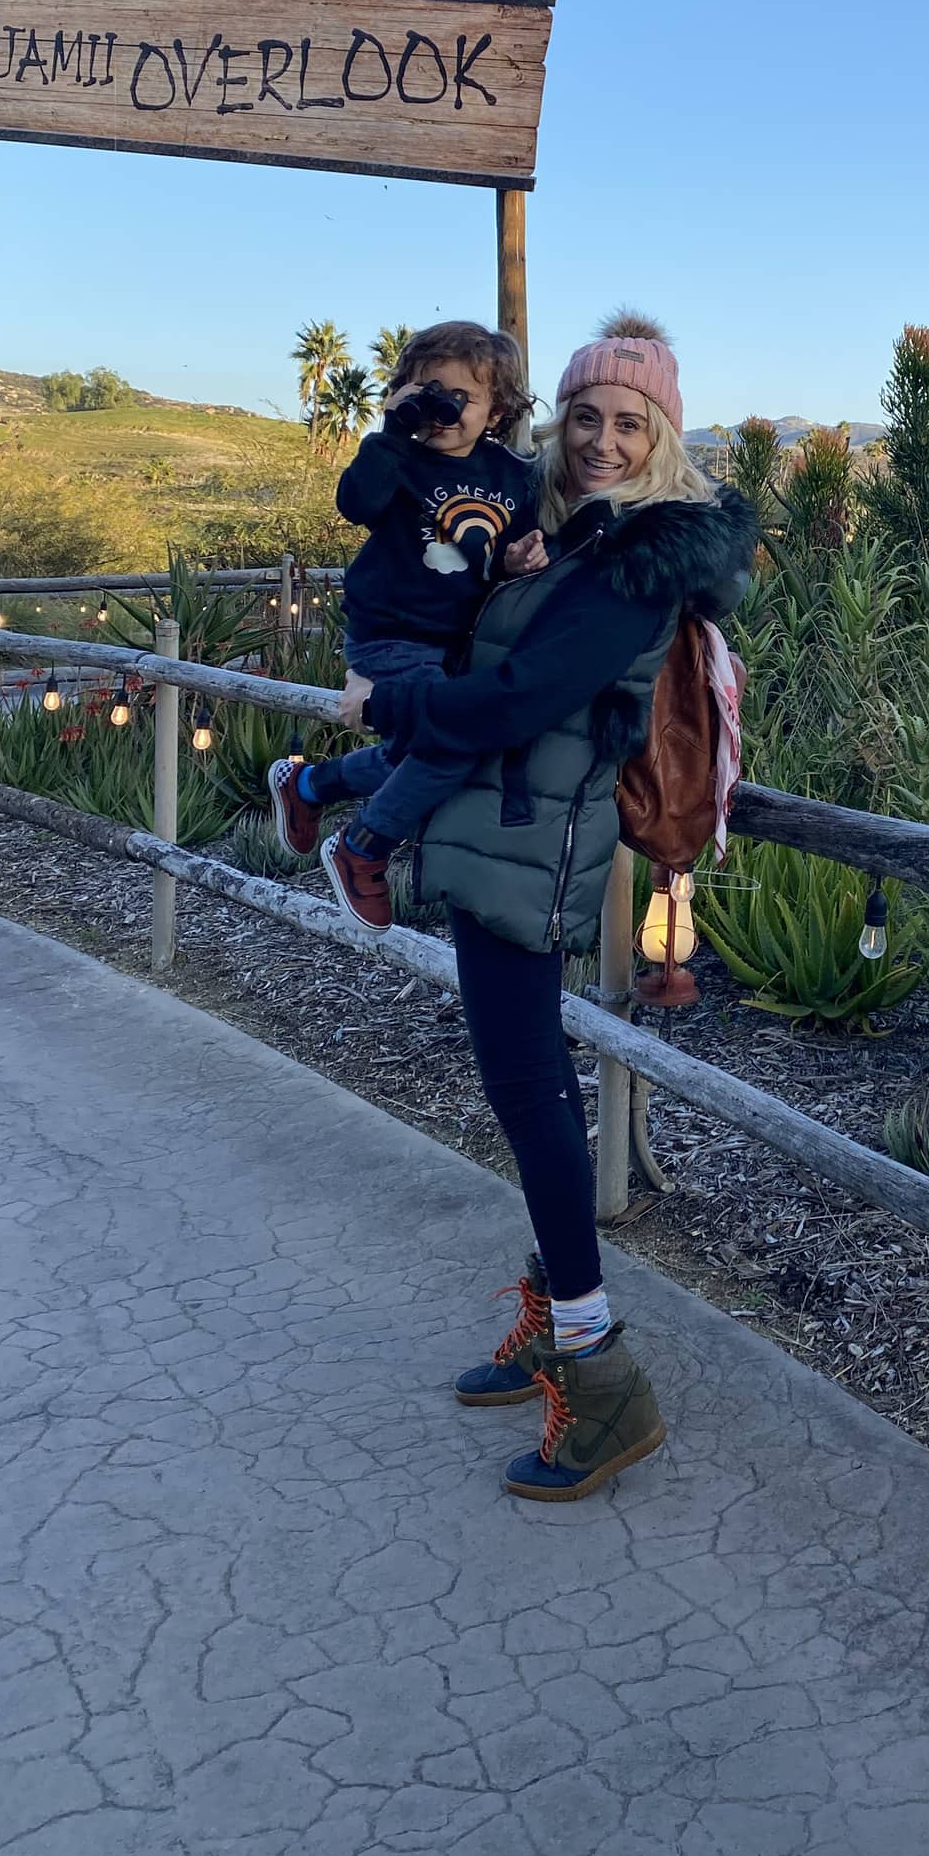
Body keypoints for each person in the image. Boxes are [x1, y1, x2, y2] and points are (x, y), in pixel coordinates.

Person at [336, 314, 757, 1501]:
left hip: (533, 841)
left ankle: (599, 1371)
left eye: (630, 422)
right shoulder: (561, 533)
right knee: (523, 1092)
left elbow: (521, 694)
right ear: (557, 422)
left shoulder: (641, 559)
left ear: (663, 435)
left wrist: (389, 716)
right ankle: (551, 1318)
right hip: (495, 829)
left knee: (529, 1091)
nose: (604, 439)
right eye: (585, 417)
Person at [267, 319, 542, 932]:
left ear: (496, 409)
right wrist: (391, 431)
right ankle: (364, 845)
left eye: (462, 398)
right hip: (391, 632)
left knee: (411, 753)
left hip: (456, 642)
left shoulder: (512, 475)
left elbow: (494, 553)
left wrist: (517, 560)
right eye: (429, 392)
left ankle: (310, 786)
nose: (444, 410)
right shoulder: (395, 458)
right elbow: (355, 505)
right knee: (451, 743)